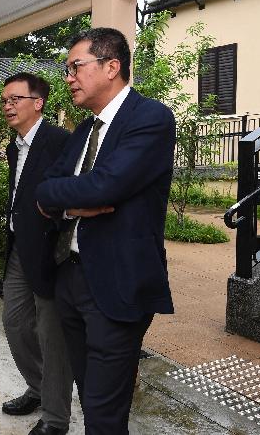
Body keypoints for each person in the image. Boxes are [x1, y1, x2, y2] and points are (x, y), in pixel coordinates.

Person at [36, 28, 175, 434]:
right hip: (71, 277)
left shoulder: (149, 118)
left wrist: (66, 196)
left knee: (103, 411)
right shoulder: (83, 132)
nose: (68, 77)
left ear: (111, 66)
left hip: (116, 285)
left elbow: (106, 186)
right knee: (90, 394)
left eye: (75, 66)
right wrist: (68, 201)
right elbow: (45, 187)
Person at [0, 72, 73, 435]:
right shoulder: (16, 145)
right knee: (15, 324)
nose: (8, 106)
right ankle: (38, 386)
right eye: (5, 100)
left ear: (38, 103)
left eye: (15, 99)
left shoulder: (61, 142)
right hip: (19, 249)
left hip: (50, 253)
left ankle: (56, 418)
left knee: (51, 336)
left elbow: (72, 195)